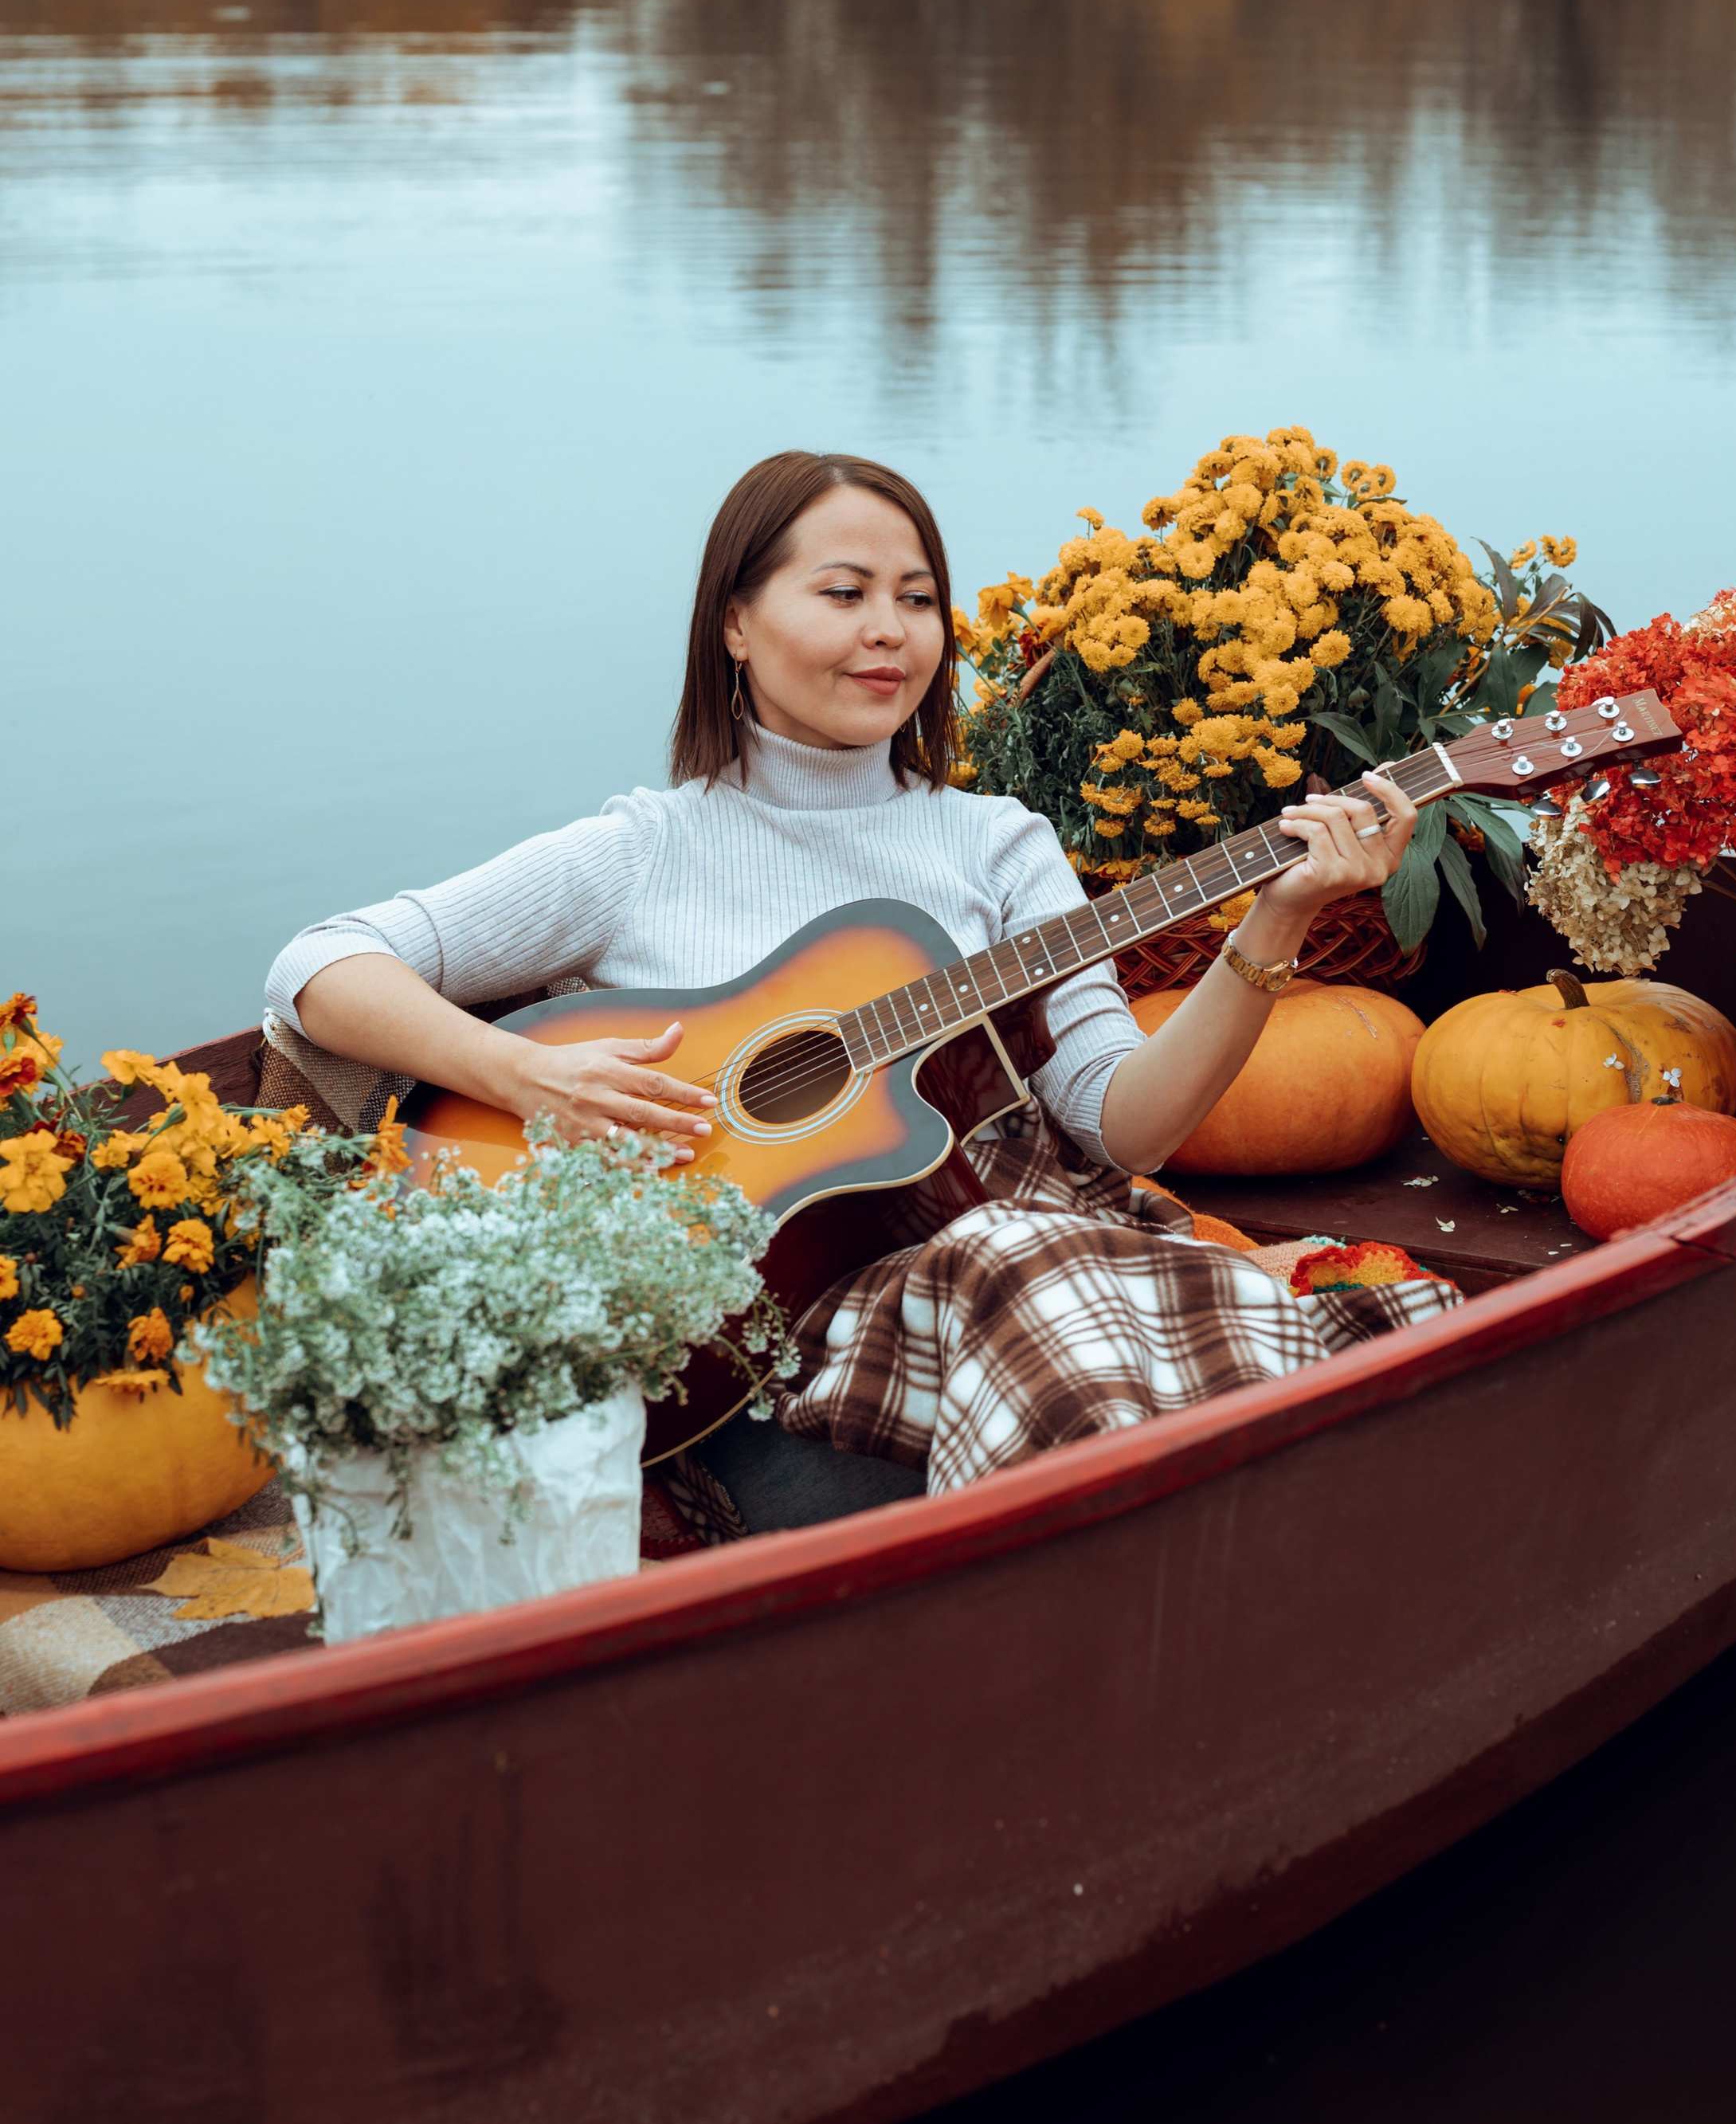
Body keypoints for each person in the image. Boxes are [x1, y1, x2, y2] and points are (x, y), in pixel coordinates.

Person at [267, 450, 1451, 1534]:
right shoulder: (641, 849)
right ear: (735, 621)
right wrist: (529, 1074)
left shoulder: (997, 844)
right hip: (762, 1330)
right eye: (844, 593)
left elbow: (1124, 1124)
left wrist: (1277, 918)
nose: (890, 632)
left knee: (1025, 1255)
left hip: (1010, 1262)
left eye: (919, 597)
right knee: (1023, 1265)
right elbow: (321, 966)